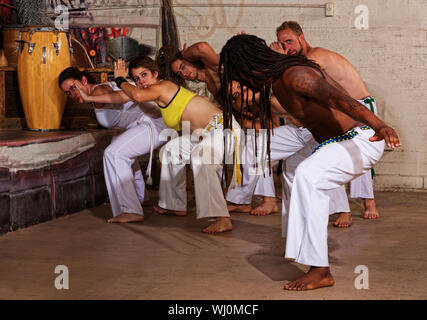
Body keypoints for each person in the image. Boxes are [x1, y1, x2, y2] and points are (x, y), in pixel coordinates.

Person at [219, 34, 401, 290]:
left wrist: (380, 125)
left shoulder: (294, 75)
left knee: (308, 175)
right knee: (293, 170)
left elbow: (339, 99)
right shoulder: (278, 80)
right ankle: (299, 246)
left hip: (360, 139)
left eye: (238, 73)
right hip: (332, 141)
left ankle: (320, 270)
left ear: (249, 65)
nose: (240, 81)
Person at [77, 56, 241, 234]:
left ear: (156, 73)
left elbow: (136, 94)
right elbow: (121, 96)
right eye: (137, 78)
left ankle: (222, 218)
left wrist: (119, 79)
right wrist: (88, 97)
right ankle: (174, 205)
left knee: (200, 158)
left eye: (144, 75)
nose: (141, 81)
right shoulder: (152, 94)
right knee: (171, 150)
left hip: (223, 128)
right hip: (201, 135)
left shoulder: (163, 87)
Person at [270, 21, 380, 227]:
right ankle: (339, 209)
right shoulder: (298, 62)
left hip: (359, 107)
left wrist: (278, 59)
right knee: (324, 155)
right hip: (337, 111)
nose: (287, 47)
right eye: (282, 44)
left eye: (290, 41)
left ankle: (368, 203)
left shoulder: (314, 57)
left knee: (356, 156)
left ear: (302, 37)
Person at [170, 42, 279, 216]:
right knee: (223, 149)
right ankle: (233, 199)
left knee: (254, 145)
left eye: (183, 66)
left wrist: (187, 53)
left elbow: (203, 47)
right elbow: (234, 109)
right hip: (248, 121)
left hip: (265, 115)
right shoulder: (209, 85)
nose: (184, 73)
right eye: (179, 72)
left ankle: (268, 200)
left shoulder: (215, 69)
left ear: (192, 60)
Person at [58, 67, 167, 223]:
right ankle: (140, 195)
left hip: (154, 124)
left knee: (113, 153)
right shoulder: (97, 93)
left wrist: (92, 97)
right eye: (68, 92)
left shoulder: (98, 91)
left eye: (73, 88)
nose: (73, 94)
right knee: (116, 142)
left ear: (83, 81)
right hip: (149, 124)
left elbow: (115, 96)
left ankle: (130, 209)